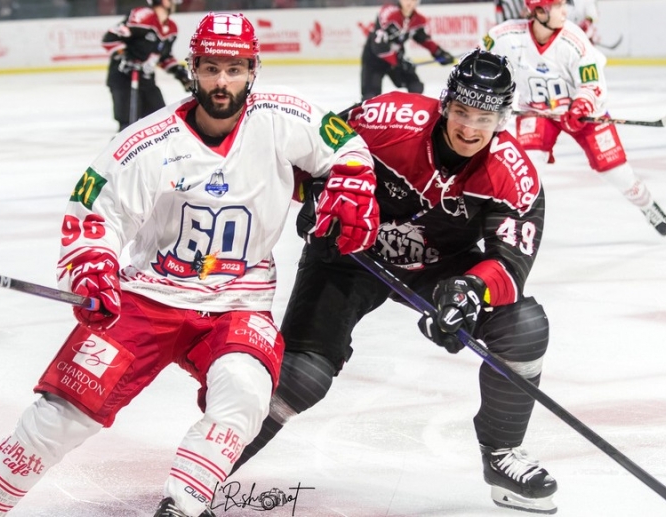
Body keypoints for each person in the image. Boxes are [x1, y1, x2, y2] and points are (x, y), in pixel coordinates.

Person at [0, 12, 379, 517]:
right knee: (64, 414)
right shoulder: (147, 142)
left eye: (235, 69)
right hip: (149, 296)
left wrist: (351, 182)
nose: (222, 82)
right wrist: (92, 267)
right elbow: (95, 213)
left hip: (239, 302)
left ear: (253, 70)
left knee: (245, 395)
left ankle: (182, 507)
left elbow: (346, 147)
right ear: (192, 68)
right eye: (211, 68)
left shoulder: (285, 116)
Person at [232, 49, 559, 514]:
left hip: (438, 266)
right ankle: (207, 469)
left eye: (484, 118)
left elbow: (510, 264)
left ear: (502, 120)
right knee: (302, 377)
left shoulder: (513, 175)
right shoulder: (387, 117)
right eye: (462, 112)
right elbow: (309, 156)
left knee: (523, 327)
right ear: (445, 103)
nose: (469, 128)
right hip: (350, 251)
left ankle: (502, 454)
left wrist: (470, 291)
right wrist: (317, 194)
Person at [484, 0, 666, 237]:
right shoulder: (505, 36)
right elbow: (479, 60)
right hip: (537, 112)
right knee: (526, 169)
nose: (566, 11)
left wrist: (582, 104)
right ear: (540, 11)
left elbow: (593, 84)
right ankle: (514, 222)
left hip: (582, 116)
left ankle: (647, 205)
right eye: (558, 6)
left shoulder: (574, 40)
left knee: (617, 172)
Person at [102, 0, 193, 131]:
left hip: (146, 80)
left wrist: (179, 73)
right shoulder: (143, 17)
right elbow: (110, 38)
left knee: (160, 120)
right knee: (127, 125)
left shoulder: (171, 28)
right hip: (124, 78)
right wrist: (125, 56)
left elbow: (164, 57)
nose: (174, 3)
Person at [361, 0, 455, 101]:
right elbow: (378, 46)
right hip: (374, 60)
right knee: (370, 97)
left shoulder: (418, 19)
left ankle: (407, 109)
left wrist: (439, 53)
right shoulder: (389, 14)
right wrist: (399, 63)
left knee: (416, 86)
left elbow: (422, 38)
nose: (410, 2)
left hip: (396, 58)